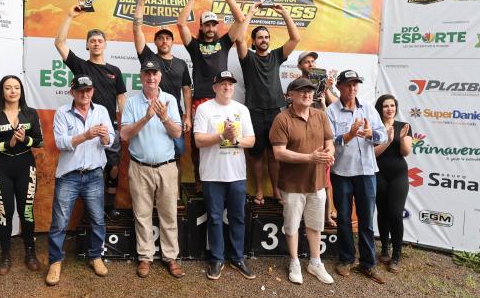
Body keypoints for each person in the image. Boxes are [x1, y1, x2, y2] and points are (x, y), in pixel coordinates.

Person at [55, 6, 126, 219]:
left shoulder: (115, 71)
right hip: (83, 127)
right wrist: (70, 15)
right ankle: (90, 210)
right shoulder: (80, 66)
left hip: (108, 126)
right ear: (87, 45)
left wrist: (123, 123)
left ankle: (109, 206)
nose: (96, 43)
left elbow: (121, 98)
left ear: (105, 45)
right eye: (92, 41)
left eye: (100, 40)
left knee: (113, 167)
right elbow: (59, 44)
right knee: (89, 168)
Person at [46, 76, 115, 286]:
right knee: (60, 222)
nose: (84, 94)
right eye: (80, 90)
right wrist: (86, 135)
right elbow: (60, 143)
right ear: (72, 92)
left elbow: (111, 139)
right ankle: (55, 261)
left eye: (88, 90)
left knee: (97, 220)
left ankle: (95, 256)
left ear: (92, 91)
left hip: (94, 174)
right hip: (69, 175)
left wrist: (105, 137)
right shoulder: (62, 113)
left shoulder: (101, 111)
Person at [121, 60, 184, 279]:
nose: (151, 77)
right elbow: (124, 135)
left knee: (169, 214)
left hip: (167, 167)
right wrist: (146, 117)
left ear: (160, 76)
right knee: (142, 214)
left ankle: (170, 257)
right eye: (147, 73)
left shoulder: (170, 100)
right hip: (140, 168)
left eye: (154, 73)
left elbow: (177, 133)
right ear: (141, 77)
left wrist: (164, 117)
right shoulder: (132, 102)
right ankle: (145, 257)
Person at [177, 0, 245, 186]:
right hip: (200, 100)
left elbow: (240, 20)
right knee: (198, 143)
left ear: (217, 27)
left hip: (222, 100)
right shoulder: (194, 46)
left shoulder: (224, 43)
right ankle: (200, 183)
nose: (210, 28)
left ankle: (223, 180)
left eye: (213, 24)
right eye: (206, 24)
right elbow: (180, 24)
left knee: (226, 141)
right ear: (201, 26)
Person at [233, 1, 300, 204]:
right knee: (256, 155)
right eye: (260, 37)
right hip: (254, 112)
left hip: (275, 112)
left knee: (274, 154)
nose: (264, 40)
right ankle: (260, 191)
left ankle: (276, 191)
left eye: (266, 37)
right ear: (254, 41)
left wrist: (284, 12)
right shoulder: (247, 58)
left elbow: (295, 38)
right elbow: (238, 38)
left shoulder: (277, 56)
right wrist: (251, 12)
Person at [269, 78, 335, 285]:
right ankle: (295, 262)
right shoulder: (281, 119)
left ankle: (315, 262)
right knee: (292, 226)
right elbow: (279, 153)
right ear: (291, 95)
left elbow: (330, 143)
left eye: (309, 91)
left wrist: (329, 154)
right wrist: (310, 158)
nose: (307, 94)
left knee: (315, 225)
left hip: (317, 183)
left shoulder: (321, 115)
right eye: (301, 91)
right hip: (292, 185)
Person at [326, 70, 387, 283]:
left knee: (366, 220)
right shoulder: (331, 111)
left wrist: (372, 134)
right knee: (343, 218)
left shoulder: (368, 108)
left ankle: (368, 263)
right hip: (342, 173)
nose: (352, 89)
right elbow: (329, 141)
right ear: (339, 87)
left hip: (367, 172)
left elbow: (383, 135)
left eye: (355, 85)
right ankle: (346, 259)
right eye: (348, 85)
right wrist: (349, 135)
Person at [194, 71, 255, 280]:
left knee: (238, 217)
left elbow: (251, 140)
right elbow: (199, 140)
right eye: (223, 84)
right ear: (215, 87)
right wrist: (222, 136)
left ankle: (237, 257)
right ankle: (217, 258)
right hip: (212, 174)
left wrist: (235, 140)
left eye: (230, 84)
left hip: (236, 174)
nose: (227, 87)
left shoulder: (242, 109)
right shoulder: (204, 109)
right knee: (215, 218)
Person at [0, 75, 44, 275]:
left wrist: (25, 140)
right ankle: (5, 255)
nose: (13, 91)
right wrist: (8, 144)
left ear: (21, 91)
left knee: (26, 212)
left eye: (16, 87)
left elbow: (40, 141)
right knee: (5, 213)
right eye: (8, 87)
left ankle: (30, 253)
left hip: (26, 167)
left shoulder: (30, 113)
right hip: (1, 168)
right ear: (2, 91)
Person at [133, 0, 192, 159]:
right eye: (160, 38)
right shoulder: (148, 58)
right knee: (151, 153)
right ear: (155, 42)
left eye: (168, 38)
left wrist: (188, 116)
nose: (164, 41)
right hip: (149, 113)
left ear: (172, 42)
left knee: (177, 154)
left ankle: (173, 179)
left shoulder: (181, 64)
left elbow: (186, 90)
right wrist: (141, 2)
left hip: (174, 114)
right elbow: (137, 30)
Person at [297, 50, 338, 227]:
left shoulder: (324, 82)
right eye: (307, 61)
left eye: (313, 61)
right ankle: (302, 215)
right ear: (300, 66)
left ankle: (327, 216)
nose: (311, 64)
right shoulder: (296, 84)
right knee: (303, 173)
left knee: (325, 176)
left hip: (321, 133)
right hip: (301, 133)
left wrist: (326, 88)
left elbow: (335, 104)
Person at [374, 94, 412, 273]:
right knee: (382, 212)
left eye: (392, 105)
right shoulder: (374, 126)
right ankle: (384, 249)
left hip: (399, 175)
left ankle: (397, 255)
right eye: (385, 106)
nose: (389, 109)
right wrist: (388, 140)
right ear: (380, 109)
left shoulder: (404, 126)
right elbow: (372, 154)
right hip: (378, 174)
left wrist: (402, 138)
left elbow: (405, 152)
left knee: (396, 214)